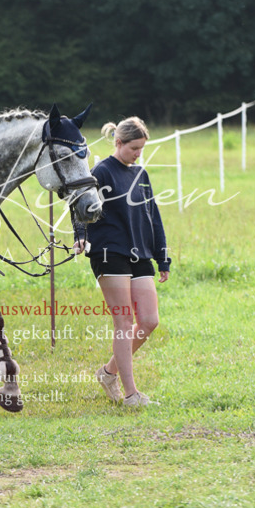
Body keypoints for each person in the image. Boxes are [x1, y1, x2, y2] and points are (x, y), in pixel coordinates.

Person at [73, 116, 170, 407]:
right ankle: (131, 395)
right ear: (118, 143)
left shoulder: (141, 174)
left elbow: (153, 216)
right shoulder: (100, 171)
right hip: (108, 252)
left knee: (149, 321)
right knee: (124, 322)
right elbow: (79, 203)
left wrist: (162, 256)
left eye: (141, 148)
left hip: (140, 252)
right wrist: (80, 234)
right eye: (134, 148)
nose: (138, 153)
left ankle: (107, 373)